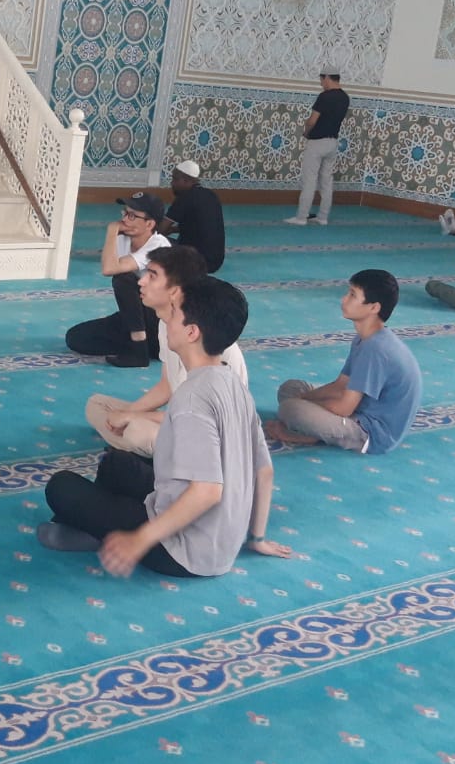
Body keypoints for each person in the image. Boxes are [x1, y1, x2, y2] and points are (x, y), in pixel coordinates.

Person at [41, 278, 293, 577]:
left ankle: (97, 534)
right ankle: (96, 531)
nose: (165, 319)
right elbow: (264, 470)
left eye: (173, 313)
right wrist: (257, 539)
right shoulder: (232, 382)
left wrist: (139, 540)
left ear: (192, 332)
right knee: (116, 464)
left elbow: (207, 492)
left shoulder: (192, 398)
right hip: (220, 540)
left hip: (182, 551)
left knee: (61, 486)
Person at [83, 245, 249, 456]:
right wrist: (126, 413)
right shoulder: (166, 324)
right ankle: (142, 451)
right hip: (179, 421)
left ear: (175, 290)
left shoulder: (211, 342)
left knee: (136, 430)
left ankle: (147, 454)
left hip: (206, 438)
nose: (141, 281)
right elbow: (167, 385)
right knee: (97, 405)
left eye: (152, 276)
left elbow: (204, 420)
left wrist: (134, 417)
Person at [264, 268, 422, 455]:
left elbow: (345, 408)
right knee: (291, 388)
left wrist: (305, 403)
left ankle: (312, 436)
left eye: (352, 295)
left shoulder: (376, 349)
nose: (344, 299)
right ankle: (315, 427)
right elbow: (341, 384)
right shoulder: (365, 338)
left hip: (371, 433)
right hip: (359, 406)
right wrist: (305, 398)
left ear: (374, 308)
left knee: (290, 409)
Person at [64, 191, 172, 367]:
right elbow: (108, 266)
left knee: (123, 278)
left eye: (132, 216)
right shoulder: (123, 240)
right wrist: (114, 236)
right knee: (76, 338)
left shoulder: (159, 245)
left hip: (160, 320)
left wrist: (111, 230)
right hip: (135, 316)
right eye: (124, 212)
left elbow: (109, 269)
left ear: (149, 224)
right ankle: (144, 346)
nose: (124, 219)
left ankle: (139, 351)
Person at [285, 72, 349, 226]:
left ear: (327, 77)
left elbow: (312, 120)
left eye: (321, 80)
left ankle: (301, 217)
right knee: (326, 181)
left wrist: (306, 132)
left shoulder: (324, 97)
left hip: (317, 143)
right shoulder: (345, 97)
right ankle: (323, 217)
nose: (321, 83)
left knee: (309, 180)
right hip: (332, 143)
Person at [164, 161, 225, 273]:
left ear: (186, 181)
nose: (172, 183)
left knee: (153, 243)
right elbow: (202, 225)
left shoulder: (185, 198)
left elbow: (161, 229)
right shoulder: (211, 195)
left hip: (194, 261)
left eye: (175, 179)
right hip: (215, 261)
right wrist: (173, 230)